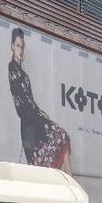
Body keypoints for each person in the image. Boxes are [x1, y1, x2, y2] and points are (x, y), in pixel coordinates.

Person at [8, 28, 72, 174]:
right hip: (30, 126)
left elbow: (30, 100)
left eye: (22, 46)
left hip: (35, 120)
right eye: (18, 46)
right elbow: (22, 103)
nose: (20, 50)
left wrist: (41, 113)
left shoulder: (22, 73)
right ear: (12, 46)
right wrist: (40, 116)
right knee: (61, 136)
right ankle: (70, 185)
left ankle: (70, 184)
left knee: (62, 137)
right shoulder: (13, 69)